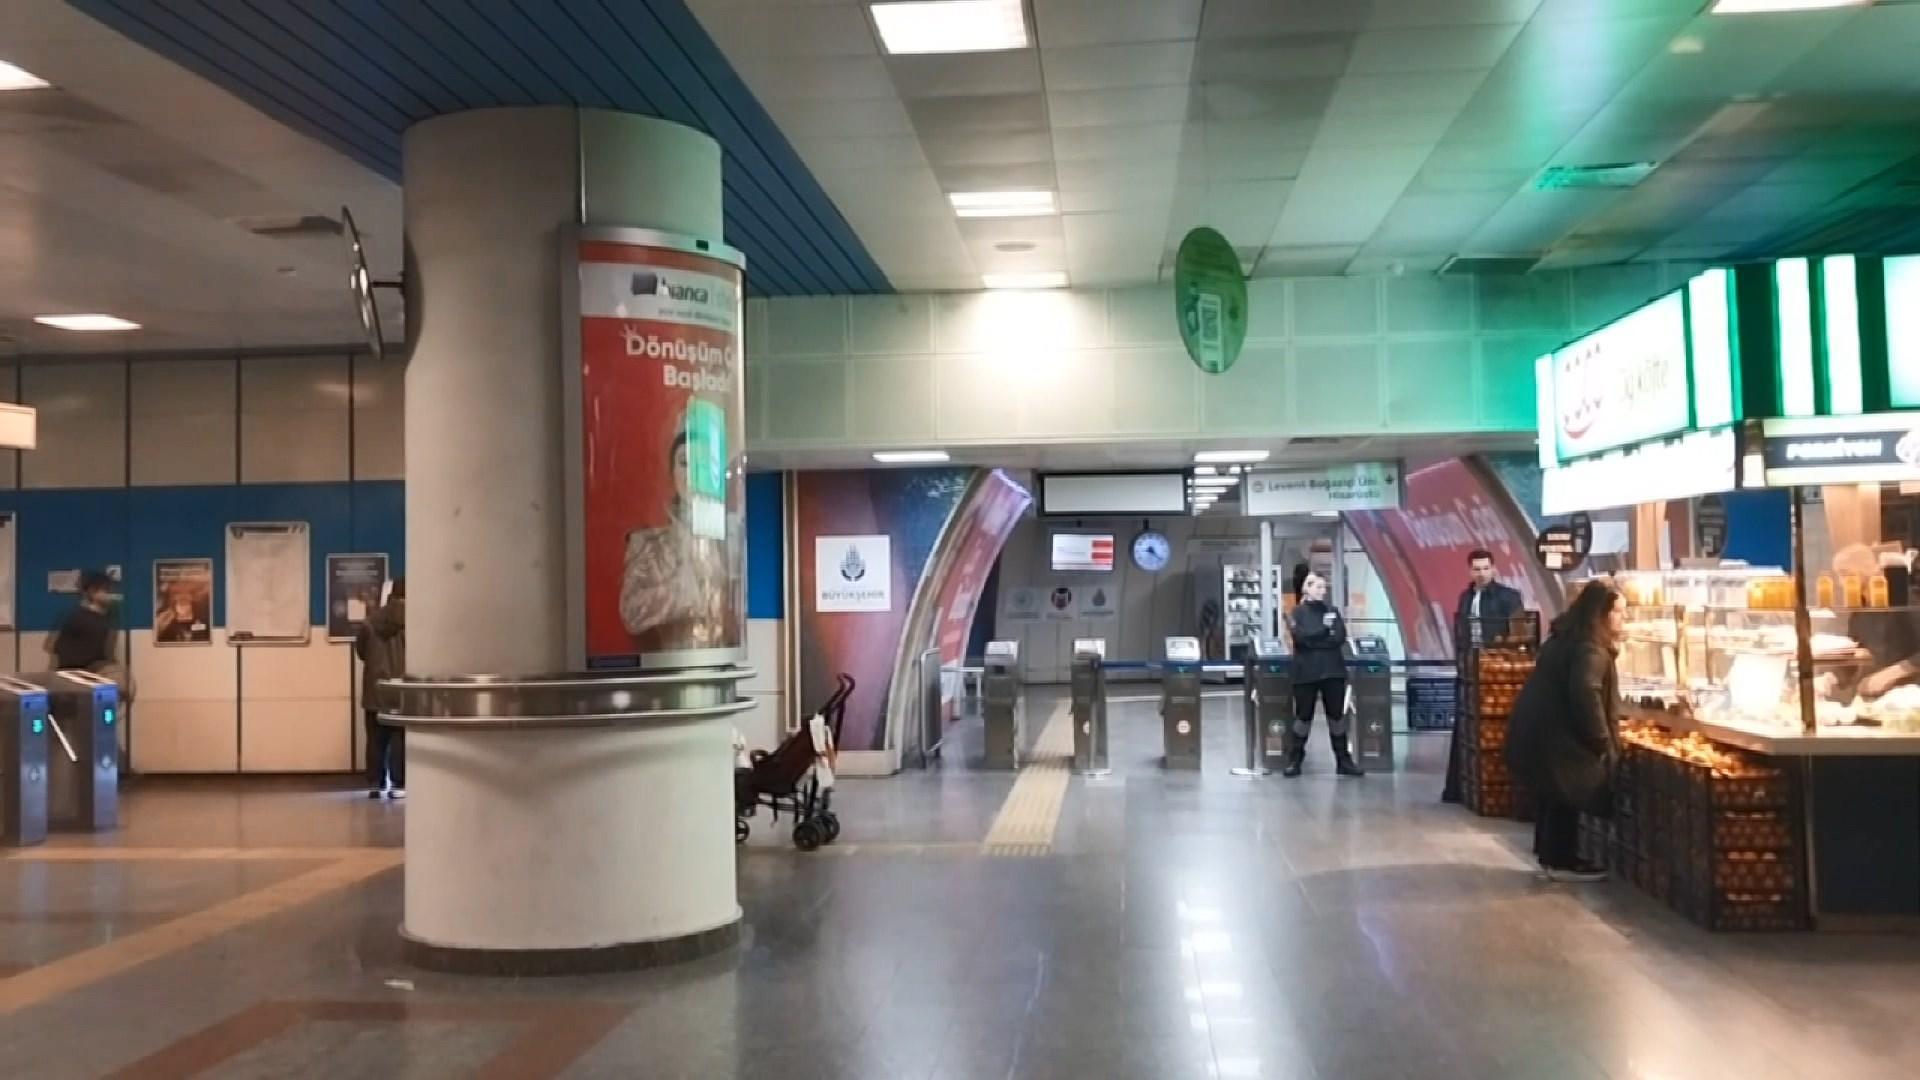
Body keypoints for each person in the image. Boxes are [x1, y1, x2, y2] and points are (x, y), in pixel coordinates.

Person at [1505, 580, 1622, 883]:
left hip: (1539, 730)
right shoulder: (1591, 648)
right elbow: (1586, 692)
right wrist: (1601, 739)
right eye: (1618, 612)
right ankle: (1562, 861)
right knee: (1565, 791)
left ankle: (1551, 856)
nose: (1623, 619)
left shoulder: (1564, 637)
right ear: (1601, 614)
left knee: (1552, 793)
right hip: (1558, 737)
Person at [619, 427, 741, 653]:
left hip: (723, 663)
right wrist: (686, 588)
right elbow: (631, 613)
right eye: (684, 463)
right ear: (672, 472)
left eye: (700, 465)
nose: (692, 474)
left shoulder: (730, 538)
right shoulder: (649, 544)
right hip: (672, 664)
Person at [1444, 549, 1525, 803]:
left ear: (1494, 569)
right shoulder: (1466, 598)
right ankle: (1461, 786)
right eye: (1477, 569)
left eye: (1486, 568)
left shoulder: (1509, 597)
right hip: (1470, 671)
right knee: (1467, 726)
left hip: (1497, 671)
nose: (1481, 574)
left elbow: (1518, 633)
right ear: (1470, 571)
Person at [1285, 571, 1364, 778]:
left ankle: (1343, 760)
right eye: (1318, 587)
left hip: (1332, 671)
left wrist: (1316, 639)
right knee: (1303, 716)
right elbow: (1301, 639)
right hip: (1306, 672)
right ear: (1307, 588)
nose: (1323, 591)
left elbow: (1339, 637)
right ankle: (1295, 759)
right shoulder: (1297, 613)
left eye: (1324, 587)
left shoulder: (1332, 611)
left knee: (1336, 716)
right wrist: (1323, 632)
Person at [355, 579, 406, 800]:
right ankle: (398, 784)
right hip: (402, 689)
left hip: (374, 688)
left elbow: (362, 652)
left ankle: (375, 783)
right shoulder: (415, 623)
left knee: (375, 739)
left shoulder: (369, 622)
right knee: (399, 738)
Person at [48, 570, 118, 671]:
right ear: (92, 592)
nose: (111, 595)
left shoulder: (107, 619)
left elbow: (106, 652)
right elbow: (52, 646)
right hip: (73, 671)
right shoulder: (74, 616)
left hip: (95, 671)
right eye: (107, 591)